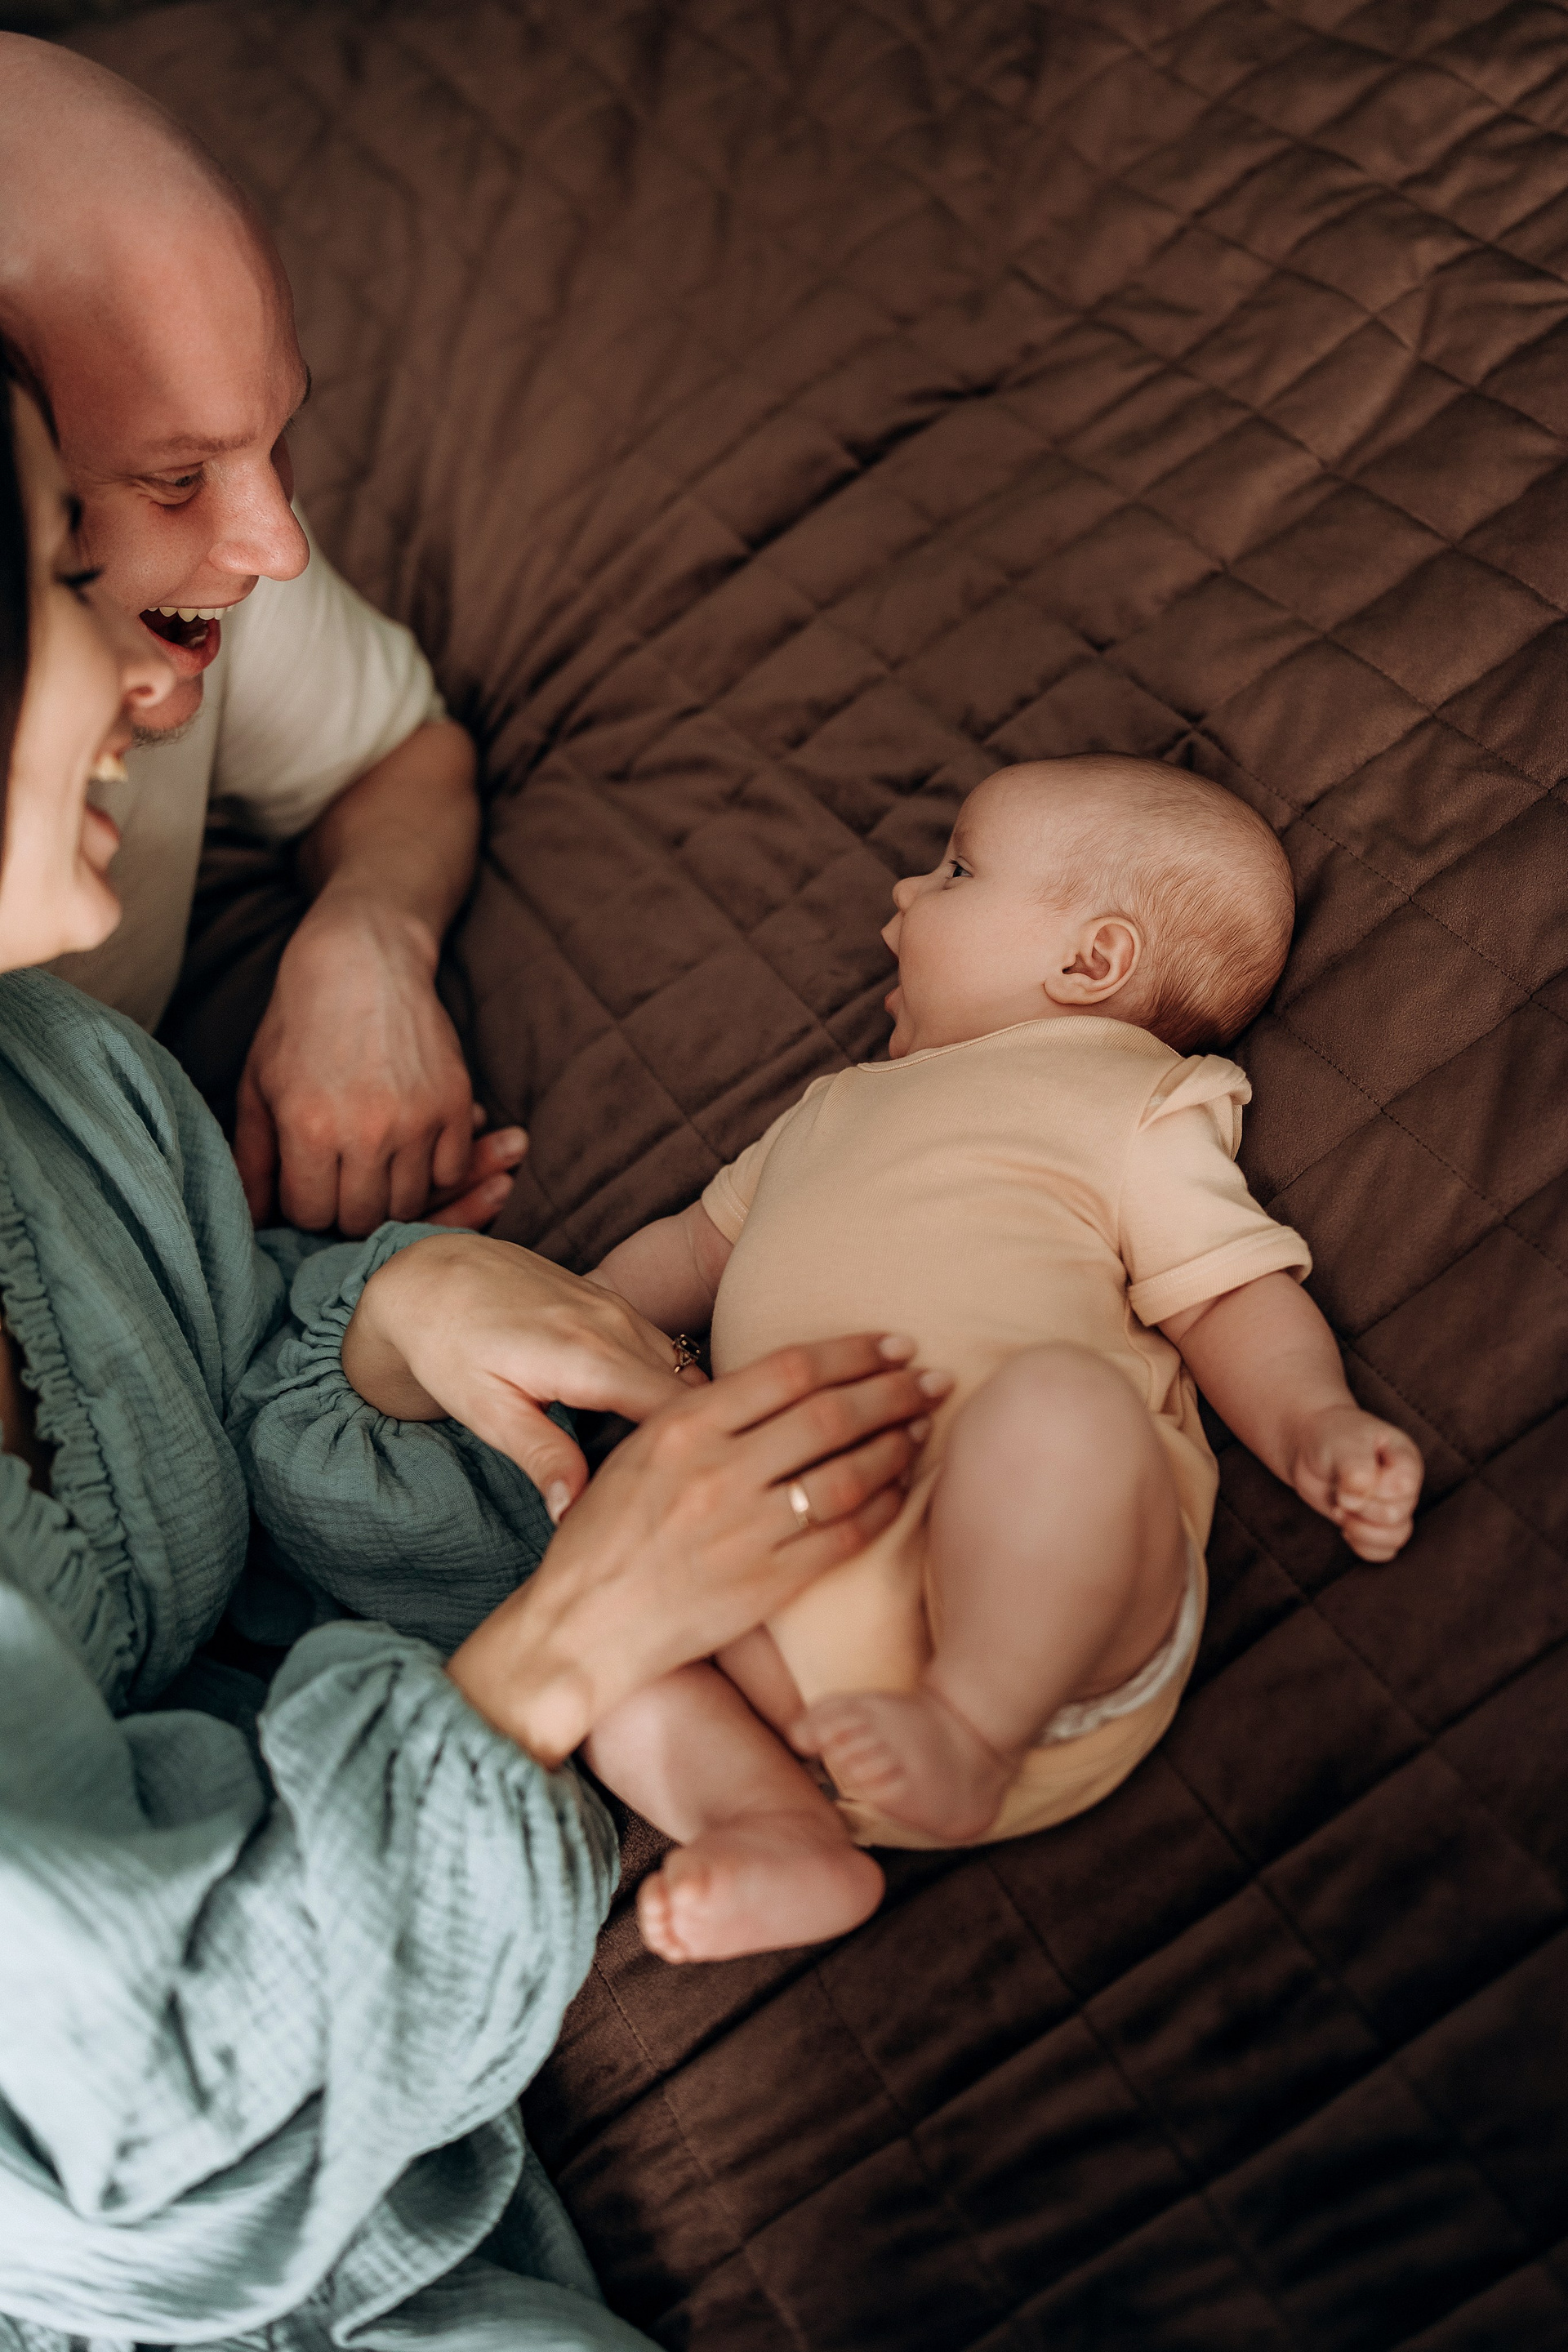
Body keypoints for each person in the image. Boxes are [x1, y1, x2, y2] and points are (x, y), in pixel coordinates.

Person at [0, 364, 934, 2350]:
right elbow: (126, 2140)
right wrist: (561, 1659)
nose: (155, 680)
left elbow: (199, 1404)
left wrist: (388, 1330)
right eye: (66, 586)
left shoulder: (58, 1083)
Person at [581, 759, 1426, 1963]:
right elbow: (688, 1251)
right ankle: (774, 1826)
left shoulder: (1126, 1100)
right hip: (792, 1636)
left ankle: (970, 1731)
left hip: (1040, 1624)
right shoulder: (829, 1110)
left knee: (1060, 1408)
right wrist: (568, 1314)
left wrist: (1315, 1425)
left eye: (956, 869)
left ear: (1092, 962)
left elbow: (1233, 1295)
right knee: (600, 1599)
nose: (905, 890)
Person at [0, 32, 521, 1237]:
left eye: (277, 436)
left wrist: (369, 936)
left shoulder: (210, 567)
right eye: (174, 478)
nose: (277, 547)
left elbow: (398, 754)